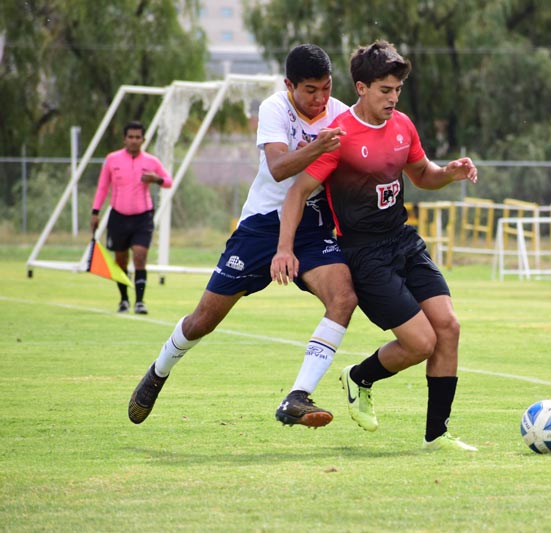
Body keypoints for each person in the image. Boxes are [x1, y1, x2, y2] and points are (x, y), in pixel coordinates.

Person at [127, 44, 357, 428]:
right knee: (204, 319)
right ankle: (159, 370)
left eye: (326, 88)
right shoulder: (273, 109)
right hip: (261, 225)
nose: (320, 99)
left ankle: (298, 396)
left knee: (344, 296)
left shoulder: (342, 115)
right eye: (310, 90)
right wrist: (319, 146)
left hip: (311, 225)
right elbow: (280, 168)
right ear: (290, 85)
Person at [271, 40, 479, 451]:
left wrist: (450, 173)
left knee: (449, 328)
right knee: (421, 343)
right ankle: (359, 377)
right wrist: (285, 248)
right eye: (385, 90)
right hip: (364, 253)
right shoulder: (340, 135)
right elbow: (296, 192)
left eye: (397, 90)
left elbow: (422, 174)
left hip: (403, 240)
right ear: (361, 87)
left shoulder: (402, 125)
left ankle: (437, 436)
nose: (393, 98)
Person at [91, 121, 172, 315]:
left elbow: (168, 181)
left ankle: (140, 301)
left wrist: (156, 179)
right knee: (120, 259)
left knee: (140, 255)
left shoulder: (151, 162)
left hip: (142, 217)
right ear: (124, 139)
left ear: (143, 140)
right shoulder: (112, 160)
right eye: (130, 137)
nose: (134, 141)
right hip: (118, 216)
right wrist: (95, 212)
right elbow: (103, 187)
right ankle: (124, 299)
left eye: (138, 137)